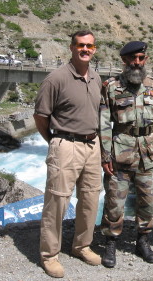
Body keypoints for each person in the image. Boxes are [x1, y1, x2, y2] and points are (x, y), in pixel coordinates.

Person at [33, 30, 102, 278]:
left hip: (92, 145)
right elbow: (40, 116)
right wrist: (54, 141)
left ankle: (82, 246)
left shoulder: (96, 77)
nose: (86, 49)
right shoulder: (56, 78)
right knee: (57, 202)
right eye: (81, 45)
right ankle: (49, 255)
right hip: (66, 144)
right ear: (72, 47)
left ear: (95, 49)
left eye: (90, 46)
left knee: (90, 199)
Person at [100, 41, 153, 268]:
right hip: (120, 153)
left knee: (148, 201)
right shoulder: (111, 87)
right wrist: (105, 155)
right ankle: (110, 242)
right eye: (133, 58)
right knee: (114, 202)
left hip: (148, 153)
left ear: (145, 59)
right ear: (124, 60)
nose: (137, 62)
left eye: (141, 58)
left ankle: (142, 241)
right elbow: (104, 123)